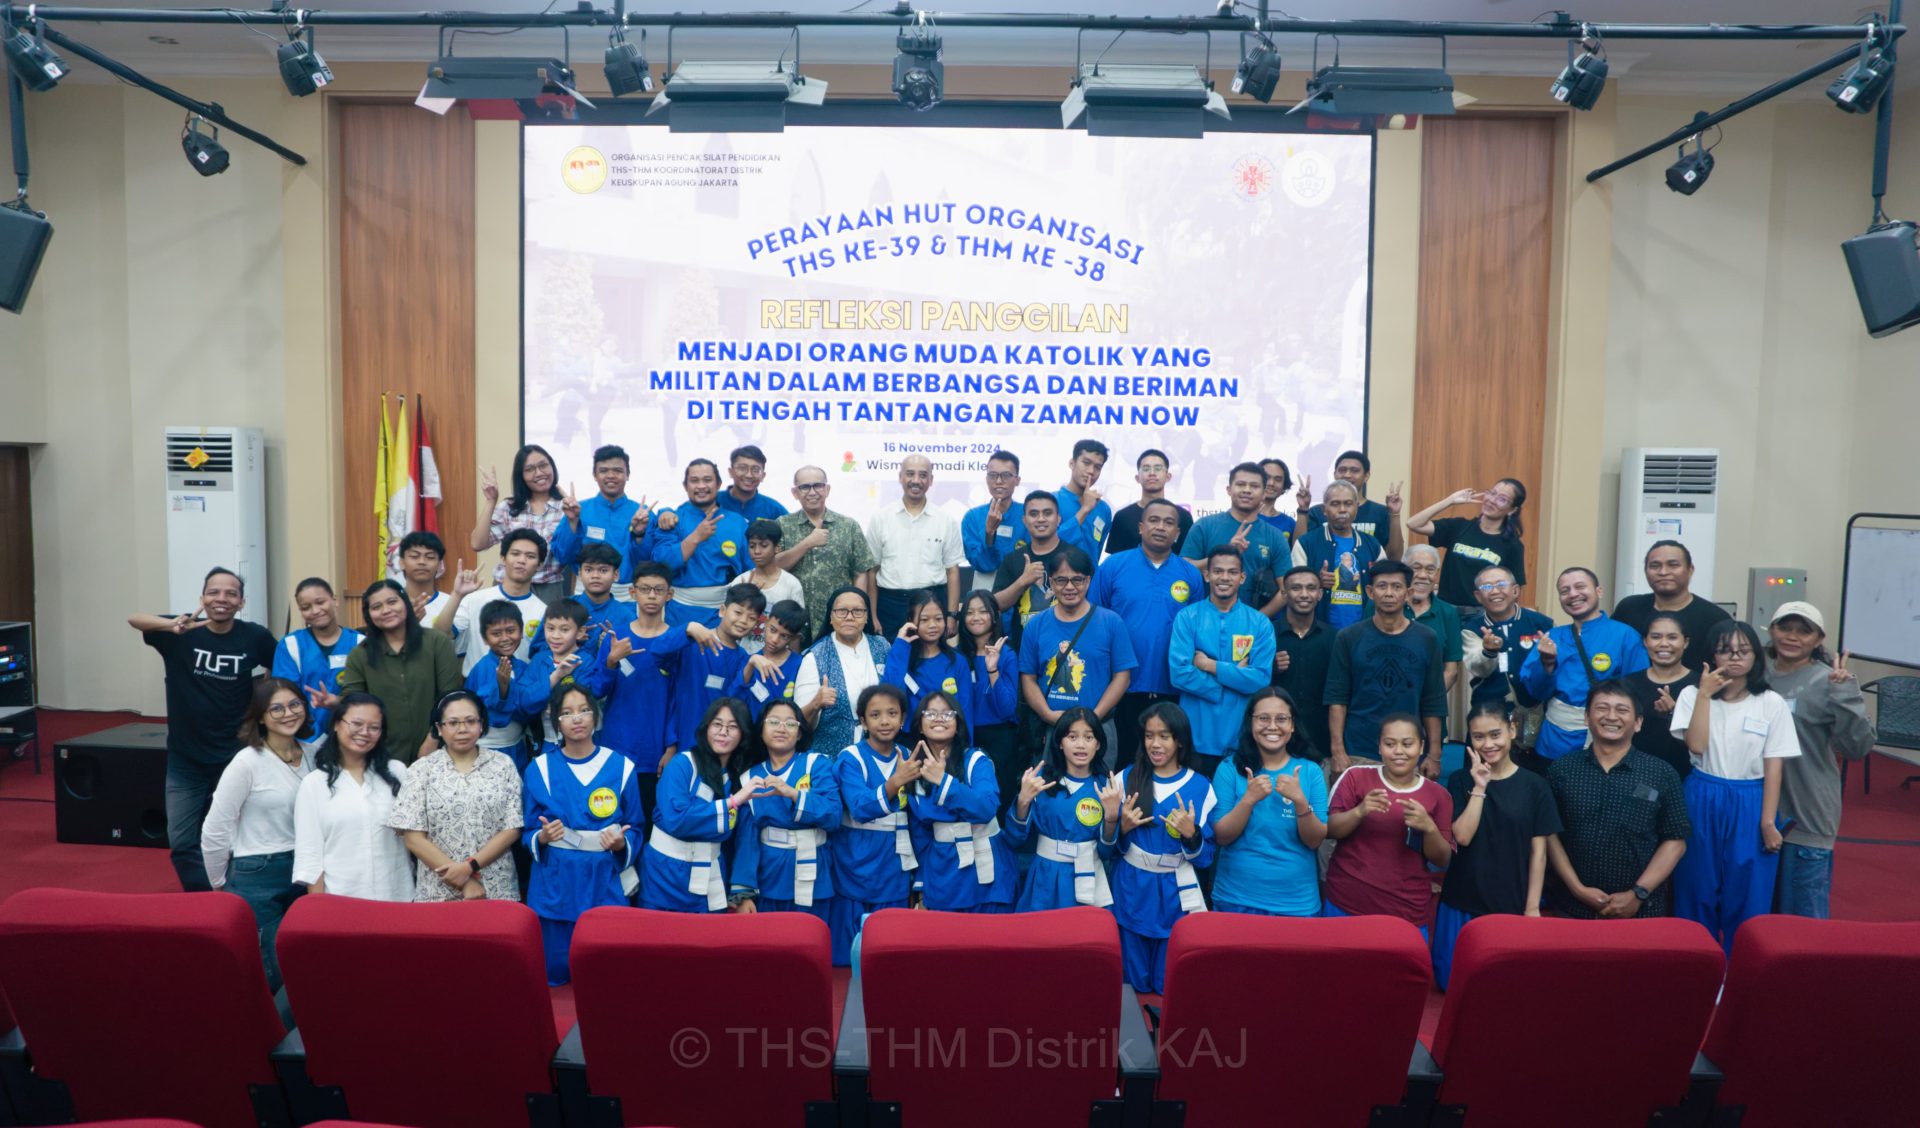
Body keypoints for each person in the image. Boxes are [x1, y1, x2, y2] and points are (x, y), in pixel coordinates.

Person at [129, 566, 279, 891]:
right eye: (214, 592)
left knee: (236, 839)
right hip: (186, 760)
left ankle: (237, 902)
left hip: (236, 758)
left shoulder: (255, 636)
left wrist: (264, 693)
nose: (221, 598)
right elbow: (135, 618)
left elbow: (278, 666)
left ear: (241, 602)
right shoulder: (179, 632)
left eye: (230, 593)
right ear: (202, 598)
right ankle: (205, 903)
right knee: (182, 842)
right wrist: (172, 624)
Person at [1670, 620, 1801, 954]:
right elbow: (1696, 746)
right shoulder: (1691, 695)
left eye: (1744, 650)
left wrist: (1768, 822)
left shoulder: (1771, 702)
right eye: (1725, 650)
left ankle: (1740, 973)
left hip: (1751, 797)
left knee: (1748, 892)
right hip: (1703, 793)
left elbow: (1775, 766)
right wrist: (1703, 693)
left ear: (1756, 655)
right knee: (1697, 886)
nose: (1735, 658)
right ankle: (1697, 968)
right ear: (1711, 654)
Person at [1431, 703, 1560, 990]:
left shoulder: (1535, 786)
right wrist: (1480, 787)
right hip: (1461, 900)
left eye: (1495, 734)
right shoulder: (1460, 780)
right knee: (1450, 983)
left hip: (1510, 902)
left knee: (1501, 988)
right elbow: (1461, 837)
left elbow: (1539, 853)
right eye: (1478, 737)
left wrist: (1531, 908)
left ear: (1512, 730)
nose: (1487, 744)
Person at [523, 685, 643, 985]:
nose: (576, 719)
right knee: (555, 981)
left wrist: (621, 843)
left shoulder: (622, 767)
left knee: (607, 978)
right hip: (556, 882)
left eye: (583, 710)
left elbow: (636, 825)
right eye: (567, 712)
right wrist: (542, 837)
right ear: (555, 721)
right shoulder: (539, 768)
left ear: (596, 716)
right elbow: (525, 830)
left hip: (604, 880)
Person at [201, 678, 313, 990]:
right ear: (260, 717)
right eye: (275, 708)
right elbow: (216, 826)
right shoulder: (247, 762)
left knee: (303, 960)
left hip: (307, 871)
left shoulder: (316, 755)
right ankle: (267, 1037)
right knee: (269, 968)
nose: (288, 713)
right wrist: (217, 883)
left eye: (294, 704)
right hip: (257, 872)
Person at [1765, 602, 1873, 919]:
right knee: (1759, 920)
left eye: (1804, 631)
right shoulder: (1753, 673)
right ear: (1772, 630)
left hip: (1806, 815)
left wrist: (1847, 695)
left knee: (1803, 923)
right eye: (1785, 628)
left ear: (1818, 639)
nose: (1792, 637)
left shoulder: (1830, 681)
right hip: (1756, 816)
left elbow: (1858, 748)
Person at [1546, 683, 1690, 919]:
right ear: (1586, 718)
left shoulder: (1661, 773)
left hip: (1642, 910)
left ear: (1638, 722)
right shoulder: (1562, 770)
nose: (1611, 716)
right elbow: (1549, 835)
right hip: (1572, 907)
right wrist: (1577, 889)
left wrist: (1638, 893)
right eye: (1602, 708)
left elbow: (1675, 841)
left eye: (1622, 710)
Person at [1109, 703, 1215, 994]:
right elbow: (1107, 849)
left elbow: (1205, 859)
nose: (1155, 744)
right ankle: (1133, 1040)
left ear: (1180, 740)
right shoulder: (1125, 779)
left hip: (1175, 897)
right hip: (1131, 892)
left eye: (1164, 736)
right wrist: (1122, 829)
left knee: (1169, 985)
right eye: (1149, 735)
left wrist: (1191, 835)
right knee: (1131, 986)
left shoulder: (1201, 786)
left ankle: (1166, 1039)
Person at [1092, 498, 1204, 761]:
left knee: (1167, 764)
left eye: (1169, 523)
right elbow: (1095, 621)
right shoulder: (1112, 567)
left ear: (1177, 534)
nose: (1161, 527)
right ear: (1141, 527)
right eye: (1154, 520)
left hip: (1173, 688)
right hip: (1121, 688)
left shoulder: (1191, 575)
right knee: (1123, 762)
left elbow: (1198, 629)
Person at [1323, 714, 1455, 936]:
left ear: (1421, 746)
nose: (1399, 751)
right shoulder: (1355, 776)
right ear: (1379, 747)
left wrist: (1429, 828)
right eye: (1390, 744)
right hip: (1346, 901)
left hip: (1405, 911)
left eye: (1407, 744)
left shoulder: (1439, 795)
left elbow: (1442, 859)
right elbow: (1329, 831)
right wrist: (1360, 811)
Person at [389, 690, 523, 902]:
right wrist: (463, 879)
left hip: (496, 888)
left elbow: (512, 827)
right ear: (439, 729)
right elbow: (413, 838)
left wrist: (470, 866)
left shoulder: (503, 765)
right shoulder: (421, 769)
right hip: (438, 892)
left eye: (470, 721)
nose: (462, 729)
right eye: (453, 722)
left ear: (481, 725)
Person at [1210, 688, 1328, 917]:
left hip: (1297, 904)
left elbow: (1315, 841)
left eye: (1281, 719)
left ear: (1293, 725)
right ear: (1250, 723)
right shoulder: (1229, 768)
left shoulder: (1311, 771)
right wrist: (1248, 800)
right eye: (1263, 718)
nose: (1272, 726)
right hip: (1235, 899)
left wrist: (1301, 802)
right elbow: (1221, 836)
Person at [1323, 561, 1446, 777]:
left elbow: (1433, 700)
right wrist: (1337, 750)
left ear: (1408, 593)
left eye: (1397, 587)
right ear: (1370, 592)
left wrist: (1434, 755)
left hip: (1408, 752)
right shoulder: (1348, 637)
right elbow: (1336, 698)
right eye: (1382, 586)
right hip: (1357, 751)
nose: (1389, 593)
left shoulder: (1427, 638)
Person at [1018, 547, 1138, 767]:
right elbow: (1028, 678)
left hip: (1099, 728)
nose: (1070, 587)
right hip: (1053, 729)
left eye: (1078, 580)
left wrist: (1092, 718)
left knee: (1098, 796)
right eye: (1062, 580)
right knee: (1050, 795)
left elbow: (1122, 677)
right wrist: (1048, 715)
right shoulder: (1036, 625)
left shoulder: (1111, 622)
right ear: (1052, 583)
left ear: (1089, 581)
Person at [828, 686, 921, 965]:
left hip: (894, 861)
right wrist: (895, 782)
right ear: (863, 721)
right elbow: (859, 806)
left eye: (892, 713)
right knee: (846, 957)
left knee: (888, 950)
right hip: (854, 860)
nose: (884, 721)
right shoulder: (851, 757)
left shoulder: (908, 755)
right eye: (875, 714)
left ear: (903, 718)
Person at [641, 697, 762, 914]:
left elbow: (746, 837)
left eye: (732, 726)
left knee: (706, 944)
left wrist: (742, 893)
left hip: (712, 876)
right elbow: (677, 820)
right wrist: (732, 802)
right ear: (706, 727)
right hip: (664, 874)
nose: (723, 732)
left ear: (743, 734)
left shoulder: (742, 777)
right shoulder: (682, 764)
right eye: (717, 724)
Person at [1518, 567, 1649, 764]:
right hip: (1555, 741)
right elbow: (1535, 693)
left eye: (1580, 587)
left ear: (1598, 591)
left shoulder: (1625, 636)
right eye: (1565, 591)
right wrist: (1547, 664)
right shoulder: (1552, 637)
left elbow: (1639, 690)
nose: (1573, 594)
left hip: (1609, 738)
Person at [291, 694, 414, 901]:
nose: (364, 733)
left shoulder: (397, 772)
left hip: (397, 895)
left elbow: (416, 836)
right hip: (340, 900)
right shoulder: (314, 784)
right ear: (337, 724)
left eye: (374, 727)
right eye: (356, 724)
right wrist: (318, 907)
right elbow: (309, 855)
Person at [1168, 548, 1277, 779]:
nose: (1225, 578)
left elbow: (1260, 679)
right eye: (1218, 571)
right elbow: (1179, 674)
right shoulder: (1187, 617)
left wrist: (1210, 666)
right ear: (1207, 575)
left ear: (1242, 577)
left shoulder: (1259, 623)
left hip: (1241, 739)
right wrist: (1232, 679)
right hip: (1195, 738)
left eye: (1232, 572)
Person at [905, 692, 1017, 913]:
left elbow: (986, 809)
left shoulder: (977, 760)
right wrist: (921, 886)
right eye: (930, 713)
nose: (939, 718)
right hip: (942, 875)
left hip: (987, 872)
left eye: (947, 714)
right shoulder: (913, 771)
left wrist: (943, 782)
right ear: (919, 725)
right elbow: (920, 837)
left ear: (958, 725)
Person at [731, 700, 841, 920]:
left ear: (800, 733)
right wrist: (743, 894)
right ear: (761, 730)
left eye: (790, 723)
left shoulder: (816, 764)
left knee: (811, 944)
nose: (781, 728)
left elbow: (833, 815)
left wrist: (793, 794)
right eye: (773, 722)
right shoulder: (748, 777)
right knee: (770, 947)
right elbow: (746, 840)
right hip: (769, 875)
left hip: (814, 872)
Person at [1002, 709, 1120, 911]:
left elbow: (1106, 852)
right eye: (1072, 737)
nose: (1080, 744)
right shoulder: (1040, 783)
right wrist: (1023, 800)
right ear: (1059, 743)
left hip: (1089, 876)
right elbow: (1014, 839)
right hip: (1045, 875)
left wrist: (1111, 818)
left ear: (1098, 744)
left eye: (1088, 737)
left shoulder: (1106, 787)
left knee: (1085, 939)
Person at [334, 579, 462, 766]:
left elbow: (450, 697)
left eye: (392, 602)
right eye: (376, 607)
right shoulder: (359, 655)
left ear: (405, 604)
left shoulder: (437, 642)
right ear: (368, 615)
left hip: (439, 751)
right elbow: (354, 703)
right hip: (381, 755)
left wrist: (433, 739)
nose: (386, 610)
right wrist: (334, 702)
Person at [598, 562, 692, 814]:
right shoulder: (615, 638)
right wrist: (611, 660)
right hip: (616, 743)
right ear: (632, 592)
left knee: (650, 821)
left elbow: (678, 700)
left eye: (658, 590)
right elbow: (596, 690)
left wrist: (672, 746)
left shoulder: (676, 642)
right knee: (614, 820)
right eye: (645, 589)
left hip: (656, 751)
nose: (651, 595)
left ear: (669, 594)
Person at [865, 454, 965, 639]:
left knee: (929, 663)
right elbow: (872, 571)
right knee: (892, 663)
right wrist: (872, 616)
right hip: (890, 605)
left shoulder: (946, 520)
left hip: (932, 604)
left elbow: (952, 572)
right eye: (910, 474)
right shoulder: (880, 518)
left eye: (923, 475)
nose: (916, 481)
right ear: (900, 477)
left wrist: (952, 616)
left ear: (931, 480)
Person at [775, 465, 879, 639]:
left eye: (818, 485)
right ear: (795, 493)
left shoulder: (848, 526)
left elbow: (861, 572)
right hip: (794, 620)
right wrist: (807, 543)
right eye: (805, 487)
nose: (812, 492)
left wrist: (859, 611)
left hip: (839, 619)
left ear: (827, 489)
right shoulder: (782, 524)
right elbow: (775, 565)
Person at [649, 459, 753, 628]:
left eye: (707, 480)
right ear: (685, 485)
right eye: (694, 481)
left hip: (725, 614)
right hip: (680, 613)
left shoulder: (738, 522)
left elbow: (750, 571)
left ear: (718, 484)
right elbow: (662, 564)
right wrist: (696, 536)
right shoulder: (672, 520)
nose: (701, 486)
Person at [1179, 462, 1290, 617]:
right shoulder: (1204, 526)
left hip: (1251, 631)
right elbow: (1182, 570)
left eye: (1254, 486)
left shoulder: (1275, 536)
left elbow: (1286, 590)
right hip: (1204, 621)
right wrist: (1223, 554)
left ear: (1264, 493)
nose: (1247, 490)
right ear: (1229, 490)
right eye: (1240, 484)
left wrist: (1256, 620)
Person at [795, 587, 892, 762]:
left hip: (880, 753)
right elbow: (797, 724)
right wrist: (816, 703)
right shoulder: (814, 657)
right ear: (830, 617)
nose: (849, 617)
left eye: (857, 611)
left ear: (867, 616)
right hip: (831, 758)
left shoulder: (882, 646)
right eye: (841, 611)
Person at [1405, 480, 1529, 611]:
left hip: (1481, 614)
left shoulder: (1512, 545)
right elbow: (1413, 524)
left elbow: (1514, 591)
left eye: (1502, 499)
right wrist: (1450, 500)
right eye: (1492, 493)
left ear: (1512, 510)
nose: (1492, 500)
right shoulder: (1459, 527)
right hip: (1446, 610)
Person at [439, 529, 549, 676]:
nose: (522, 560)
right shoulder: (475, 599)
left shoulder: (544, 612)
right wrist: (457, 595)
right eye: (515, 554)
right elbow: (441, 633)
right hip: (477, 689)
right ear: (503, 558)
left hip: (521, 692)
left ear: (540, 565)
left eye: (530, 556)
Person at [1610, 540, 1731, 671]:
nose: (1663, 572)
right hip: (1632, 689)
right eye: (1655, 566)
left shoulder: (1715, 618)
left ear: (1690, 570)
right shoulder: (1629, 609)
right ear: (1645, 571)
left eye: (1673, 565)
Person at [671, 583, 763, 753]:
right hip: (683, 740)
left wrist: (750, 667)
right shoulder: (692, 641)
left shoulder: (744, 659)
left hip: (719, 747)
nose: (743, 621)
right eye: (738, 612)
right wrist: (687, 628)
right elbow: (657, 652)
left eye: (751, 618)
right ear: (722, 610)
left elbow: (734, 703)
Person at [472, 444, 568, 603]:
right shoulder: (509, 507)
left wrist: (574, 518)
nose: (539, 473)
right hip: (507, 587)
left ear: (552, 466)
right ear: (521, 476)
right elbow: (477, 543)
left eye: (543, 465)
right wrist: (491, 501)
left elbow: (570, 554)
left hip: (547, 590)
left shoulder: (566, 507)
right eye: (529, 469)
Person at [546, 444, 641, 597]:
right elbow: (563, 556)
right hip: (585, 596)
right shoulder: (577, 510)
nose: (610, 475)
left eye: (617, 470)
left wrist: (640, 533)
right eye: (603, 471)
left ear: (627, 474)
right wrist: (572, 522)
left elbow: (650, 559)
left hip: (628, 597)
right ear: (594, 475)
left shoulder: (642, 513)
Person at [461, 600, 546, 770]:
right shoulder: (483, 668)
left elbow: (528, 708)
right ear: (485, 638)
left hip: (516, 744)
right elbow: (493, 717)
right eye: (496, 633)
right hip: (487, 747)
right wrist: (503, 689)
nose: (505, 638)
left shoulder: (523, 667)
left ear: (521, 632)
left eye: (511, 630)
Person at [1291, 479, 1386, 629]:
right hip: (1318, 631)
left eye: (1348, 503)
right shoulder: (1306, 543)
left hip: (1364, 631)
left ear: (1357, 507)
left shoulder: (1372, 545)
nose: (1342, 509)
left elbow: (1384, 586)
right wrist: (1316, 582)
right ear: (1324, 509)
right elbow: (1291, 587)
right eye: (1335, 504)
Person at [274, 578, 362, 737]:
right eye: (306, 607)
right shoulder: (290, 645)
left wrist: (338, 702)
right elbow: (283, 694)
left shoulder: (359, 643)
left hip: (354, 735)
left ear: (334, 601)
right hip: (304, 737)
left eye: (320, 602)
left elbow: (368, 694)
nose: (315, 611)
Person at [956, 590, 1022, 804]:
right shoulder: (955, 657)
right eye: (970, 612)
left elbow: (1007, 709)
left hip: (1000, 738)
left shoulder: (1008, 656)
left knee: (999, 800)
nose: (976, 617)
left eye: (983, 611)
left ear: (995, 616)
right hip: (963, 737)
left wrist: (992, 670)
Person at [1460, 566, 1552, 712]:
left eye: (1501, 584)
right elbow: (1479, 670)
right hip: (1489, 711)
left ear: (1515, 590)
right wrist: (1488, 652)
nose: (1495, 591)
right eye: (1487, 586)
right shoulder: (1471, 629)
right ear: (1478, 596)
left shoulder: (1542, 623)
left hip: (1536, 709)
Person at [1270, 567, 1336, 763]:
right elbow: (1250, 681)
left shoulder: (1334, 638)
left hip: (1321, 742)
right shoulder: (1267, 634)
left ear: (1320, 594)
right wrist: (1269, 667)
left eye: (1311, 588)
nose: (1304, 594)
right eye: (1296, 588)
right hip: (1274, 739)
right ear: (1284, 593)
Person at [1623, 614, 1700, 779]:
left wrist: (1674, 714)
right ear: (1645, 641)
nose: (1664, 644)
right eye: (1656, 637)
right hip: (1634, 777)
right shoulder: (1628, 683)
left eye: (1672, 637)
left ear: (1685, 642)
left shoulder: (1700, 685)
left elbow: (1705, 742)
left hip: (1686, 777)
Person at [884, 591, 975, 727]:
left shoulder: (958, 661)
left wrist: (965, 746)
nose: (932, 625)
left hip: (947, 738)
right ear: (911, 622)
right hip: (910, 739)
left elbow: (966, 711)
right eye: (924, 620)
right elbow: (888, 695)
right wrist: (900, 644)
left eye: (938, 619)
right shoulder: (901, 656)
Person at [992, 490, 1069, 647]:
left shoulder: (1074, 557)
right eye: (1034, 514)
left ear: (1058, 518)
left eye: (1047, 513)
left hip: (1064, 649)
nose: (1040, 519)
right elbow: (995, 604)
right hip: (1023, 651)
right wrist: (1022, 582)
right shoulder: (1013, 559)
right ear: (1025, 520)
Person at [1304, 450, 1404, 560]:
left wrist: (1395, 514)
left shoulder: (1380, 512)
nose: (1347, 475)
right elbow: (1301, 548)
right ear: (1334, 474)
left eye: (1354, 471)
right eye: (1342, 470)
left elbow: (1394, 557)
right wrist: (1302, 510)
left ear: (1366, 476)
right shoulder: (1317, 512)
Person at [523, 598, 614, 718]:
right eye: (550, 628)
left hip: (576, 732)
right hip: (541, 734)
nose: (556, 636)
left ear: (580, 632)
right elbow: (524, 699)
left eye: (564, 630)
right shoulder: (539, 660)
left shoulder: (585, 662)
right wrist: (555, 677)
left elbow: (587, 698)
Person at [730, 600, 807, 721]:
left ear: (793, 638)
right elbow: (733, 700)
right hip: (751, 734)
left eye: (784, 636)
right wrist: (750, 666)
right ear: (765, 623)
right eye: (772, 630)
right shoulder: (749, 660)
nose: (775, 639)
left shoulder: (800, 665)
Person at [1106, 449, 1193, 556]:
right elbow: (1115, 561)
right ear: (1137, 478)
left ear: (1168, 476)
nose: (1152, 473)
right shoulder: (1122, 517)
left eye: (1158, 468)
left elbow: (1188, 559)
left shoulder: (1183, 516)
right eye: (1146, 469)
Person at [961, 451, 1027, 588]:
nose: (998, 481)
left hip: (1024, 590)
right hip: (986, 593)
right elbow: (982, 564)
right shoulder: (972, 517)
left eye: (1006, 475)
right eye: (992, 475)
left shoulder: (1028, 514)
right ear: (986, 479)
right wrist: (989, 533)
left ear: (1017, 480)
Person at [1403, 545, 1464, 693]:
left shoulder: (1448, 613)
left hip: (1429, 706)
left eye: (1430, 569)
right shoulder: (1383, 605)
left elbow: (1451, 671)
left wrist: (1428, 702)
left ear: (1436, 574)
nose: (1423, 575)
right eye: (1416, 568)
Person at [733, 518, 805, 627]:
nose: (757, 551)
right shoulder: (741, 582)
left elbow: (796, 627)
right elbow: (729, 622)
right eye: (752, 546)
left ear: (777, 548)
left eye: (764, 546)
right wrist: (745, 594)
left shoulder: (791, 584)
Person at [1056, 438, 1114, 560]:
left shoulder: (1104, 509)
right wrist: (1085, 509)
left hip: (1090, 578)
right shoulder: (1052, 501)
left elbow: (1096, 552)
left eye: (1097, 467)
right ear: (1072, 463)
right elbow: (1049, 545)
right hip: (1056, 577)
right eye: (1086, 463)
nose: (1091, 471)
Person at [571, 543, 637, 639]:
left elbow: (634, 650)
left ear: (616, 575)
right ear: (580, 573)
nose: (595, 576)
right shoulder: (563, 609)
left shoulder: (627, 617)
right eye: (588, 570)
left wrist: (612, 646)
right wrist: (570, 641)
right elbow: (542, 647)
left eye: (603, 570)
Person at [395, 531, 454, 627]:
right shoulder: (390, 603)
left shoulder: (451, 604)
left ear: (439, 565)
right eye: (414, 556)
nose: (422, 562)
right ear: (401, 563)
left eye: (430, 557)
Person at [717, 444, 789, 522]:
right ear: (731, 472)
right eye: (742, 468)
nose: (749, 475)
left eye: (756, 470)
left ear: (763, 476)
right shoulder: (714, 501)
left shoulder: (773, 509)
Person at [1256, 457, 1296, 538]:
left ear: (1284, 486)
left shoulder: (1289, 522)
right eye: (1266, 478)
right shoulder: (1240, 515)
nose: (1271, 483)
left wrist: (1303, 509)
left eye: (1278, 479)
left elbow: (1298, 549)